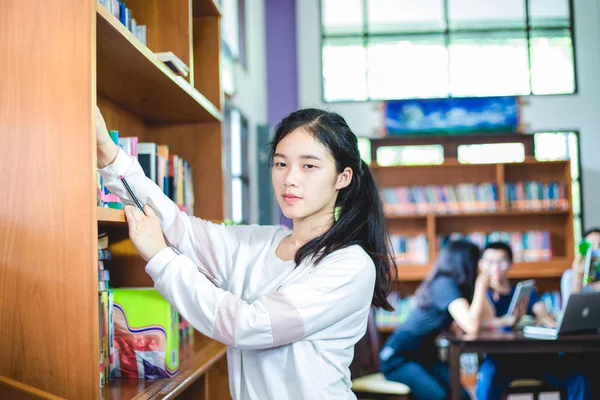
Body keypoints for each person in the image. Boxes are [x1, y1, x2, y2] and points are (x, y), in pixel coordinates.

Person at [95, 107, 396, 400]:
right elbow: (178, 227)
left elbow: (247, 326)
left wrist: (160, 258)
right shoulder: (257, 242)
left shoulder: (349, 265)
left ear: (342, 178)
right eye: (281, 164)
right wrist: (110, 155)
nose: (290, 178)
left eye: (309, 166)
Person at [379, 240, 495, 400]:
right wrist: (481, 285)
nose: (480, 267)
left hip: (425, 356)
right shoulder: (444, 285)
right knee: (439, 396)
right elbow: (472, 326)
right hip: (399, 359)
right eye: (478, 262)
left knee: (461, 396)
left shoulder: (455, 286)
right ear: (467, 262)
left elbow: (488, 317)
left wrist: (481, 288)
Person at [475, 242, 590, 400]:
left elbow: (540, 310)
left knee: (578, 377)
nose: (495, 267)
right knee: (486, 380)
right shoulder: (481, 296)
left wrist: (545, 318)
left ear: (510, 264)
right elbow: (475, 324)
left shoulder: (524, 291)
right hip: (500, 359)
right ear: (481, 265)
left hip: (535, 356)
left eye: (501, 261)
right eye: (489, 262)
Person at [561, 228, 600, 305]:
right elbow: (571, 311)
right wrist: (577, 277)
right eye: (591, 245)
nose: (596, 249)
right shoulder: (570, 275)